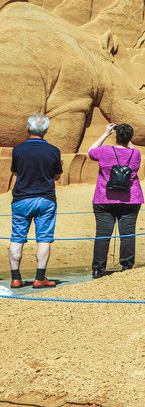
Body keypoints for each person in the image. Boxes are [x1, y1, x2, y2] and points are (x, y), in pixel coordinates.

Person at [9, 114, 62, 288]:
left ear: (28, 128)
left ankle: (16, 278)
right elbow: (56, 176)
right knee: (44, 239)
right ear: (45, 131)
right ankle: (40, 277)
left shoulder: (18, 150)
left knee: (17, 238)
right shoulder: (54, 151)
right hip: (45, 199)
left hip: (22, 198)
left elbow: (16, 173)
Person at [87, 123, 143, 279]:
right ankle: (126, 267)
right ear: (130, 138)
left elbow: (91, 151)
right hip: (130, 199)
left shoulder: (105, 151)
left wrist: (106, 134)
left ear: (116, 136)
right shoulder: (135, 153)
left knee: (103, 235)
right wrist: (127, 138)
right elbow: (132, 149)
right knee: (127, 234)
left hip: (104, 198)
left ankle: (98, 269)